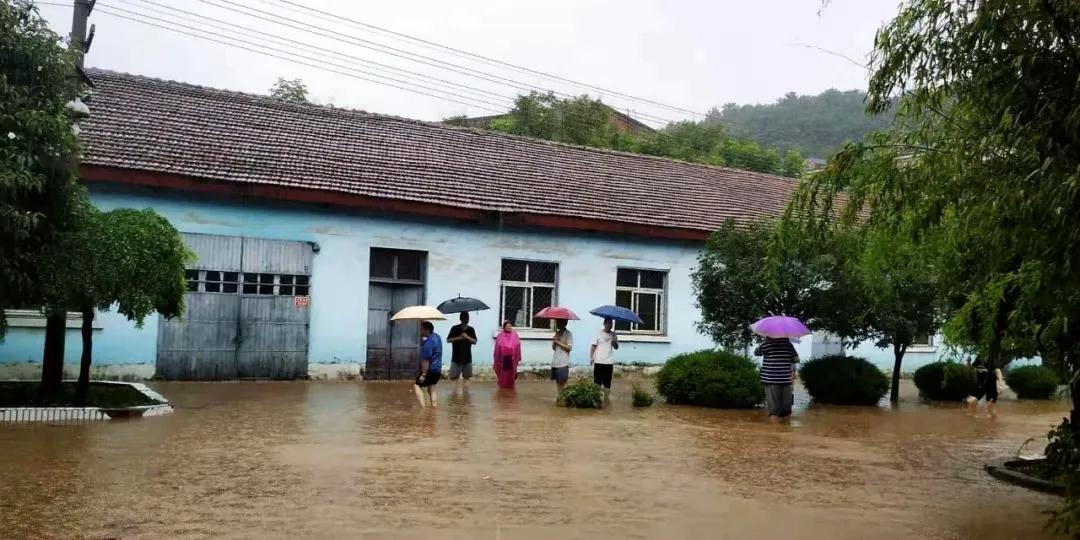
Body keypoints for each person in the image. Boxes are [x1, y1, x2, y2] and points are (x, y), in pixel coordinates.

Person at [753, 336, 799, 420]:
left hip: (770, 379)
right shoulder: (788, 345)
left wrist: (763, 341)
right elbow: (796, 359)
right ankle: (786, 427)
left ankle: (774, 427)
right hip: (785, 379)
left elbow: (756, 352)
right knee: (786, 412)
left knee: (774, 412)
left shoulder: (766, 344)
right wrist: (786, 358)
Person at [414, 321, 442, 408]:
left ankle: (423, 409)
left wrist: (423, 374)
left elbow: (426, 360)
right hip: (437, 369)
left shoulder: (428, 343)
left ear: (427, 330)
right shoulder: (437, 337)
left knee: (417, 385)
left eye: (422, 329)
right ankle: (434, 407)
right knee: (431, 388)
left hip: (430, 370)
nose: (420, 331)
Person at [446, 312, 478, 390]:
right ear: (461, 319)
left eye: (467, 317)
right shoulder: (454, 328)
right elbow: (448, 340)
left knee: (466, 378)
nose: (466, 319)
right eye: (465, 317)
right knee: (454, 378)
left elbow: (474, 341)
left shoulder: (471, 329)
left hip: (467, 358)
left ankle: (465, 395)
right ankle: (454, 395)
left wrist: (467, 337)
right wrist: (459, 338)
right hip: (456, 357)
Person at [590, 318, 619, 398]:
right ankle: (597, 399)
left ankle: (606, 399)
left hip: (608, 362)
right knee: (597, 383)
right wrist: (591, 358)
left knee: (607, 384)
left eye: (611, 323)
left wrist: (614, 342)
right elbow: (593, 346)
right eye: (608, 323)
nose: (610, 325)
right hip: (598, 361)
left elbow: (616, 347)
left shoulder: (613, 335)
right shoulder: (598, 333)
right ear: (604, 323)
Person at [493, 320, 522, 389]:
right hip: (503, 358)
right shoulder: (500, 335)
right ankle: (503, 387)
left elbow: (517, 345)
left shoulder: (514, 335)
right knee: (504, 373)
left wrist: (512, 351)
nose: (509, 327)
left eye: (510, 326)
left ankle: (510, 386)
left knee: (511, 373)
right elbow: (498, 346)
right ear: (504, 327)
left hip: (512, 358)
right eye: (507, 326)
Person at [551, 319, 573, 394]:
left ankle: (563, 397)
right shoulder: (557, 333)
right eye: (557, 322)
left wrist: (558, 342)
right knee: (557, 381)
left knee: (563, 382)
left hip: (563, 362)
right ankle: (560, 397)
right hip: (556, 361)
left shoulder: (568, 334)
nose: (557, 324)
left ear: (564, 323)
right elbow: (554, 348)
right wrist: (554, 342)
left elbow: (569, 348)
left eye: (559, 322)